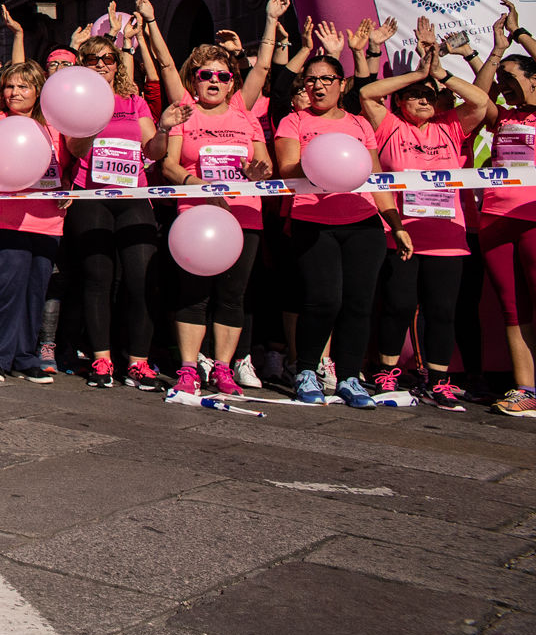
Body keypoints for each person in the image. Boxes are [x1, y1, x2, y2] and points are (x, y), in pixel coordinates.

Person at [359, 18, 490, 410]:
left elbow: (481, 103)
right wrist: (416, 73)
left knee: (441, 311)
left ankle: (439, 379)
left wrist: (439, 72)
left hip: (449, 238)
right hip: (403, 234)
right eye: (415, 95)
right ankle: (386, 372)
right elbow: (367, 93)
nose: (423, 100)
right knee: (398, 305)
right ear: (400, 102)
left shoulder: (450, 126)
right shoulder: (391, 127)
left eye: (428, 96)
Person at [273, 52, 403, 407]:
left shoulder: (361, 125)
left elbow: (375, 178)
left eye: (325, 79)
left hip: (363, 222)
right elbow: (286, 168)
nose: (316, 86)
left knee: (359, 303)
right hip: (313, 221)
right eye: (310, 80)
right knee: (323, 300)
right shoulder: (293, 121)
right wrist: (320, 160)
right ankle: (306, 370)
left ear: (341, 85)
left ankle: (348, 377)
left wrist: (395, 223)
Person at [61, 29, 172, 388]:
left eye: (107, 59)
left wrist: (166, 129)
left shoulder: (133, 102)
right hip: (90, 196)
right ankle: (102, 360)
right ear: (82, 65)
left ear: (116, 65)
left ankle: (138, 360)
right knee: (97, 279)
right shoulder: (73, 101)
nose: (100, 65)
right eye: (91, 60)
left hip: (132, 195)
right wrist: (94, 116)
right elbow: (76, 150)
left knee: (141, 278)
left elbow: (153, 152)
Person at [162, 44, 270, 397]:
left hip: (243, 214)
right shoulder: (185, 114)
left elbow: (265, 164)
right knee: (194, 296)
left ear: (231, 83)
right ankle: (190, 369)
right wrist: (199, 186)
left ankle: (224, 368)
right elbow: (169, 165)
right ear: (194, 80)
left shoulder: (245, 117)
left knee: (232, 295)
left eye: (222, 76)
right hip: (197, 216)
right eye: (205, 74)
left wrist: (258, 171)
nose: (214, 80)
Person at [0, 63, 66, 383]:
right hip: (2, 218)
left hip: (46, 219)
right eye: (9, 86)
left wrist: (69, 191)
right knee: (7, 286)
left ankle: (25, 356)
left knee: (35, 291)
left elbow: (67, 165)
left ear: (39, 90)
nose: (14, 93)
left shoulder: (53, 124)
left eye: (23, 87)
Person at [479, 2, 536, 416]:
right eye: (503, 81)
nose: (506, 86)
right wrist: (494, 55)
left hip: (534, 216)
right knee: (513, 307)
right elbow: (478, 98)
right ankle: (525, 390)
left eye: (513, 80)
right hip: (496, 218)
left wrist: (519, 35)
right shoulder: (502, 117)